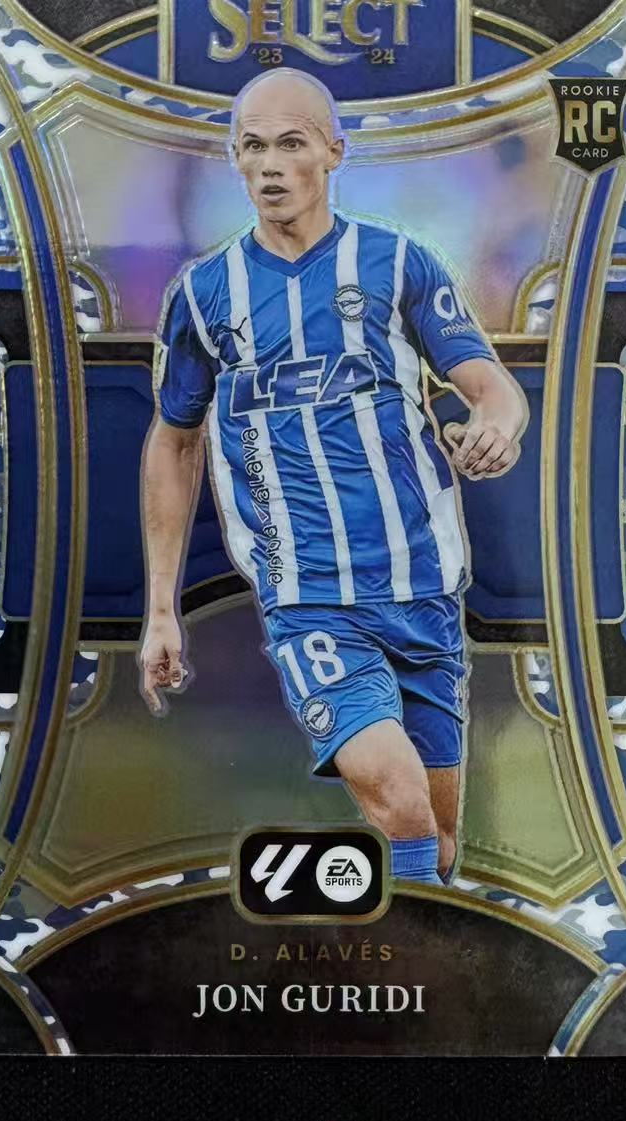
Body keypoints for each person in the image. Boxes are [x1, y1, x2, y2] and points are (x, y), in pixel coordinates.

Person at [138, 67, 526, 886]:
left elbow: (490, 387)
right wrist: (161, 609)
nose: (270, 164)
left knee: (437, 842)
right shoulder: (205, 295)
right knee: (401, 801)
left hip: (423, 587)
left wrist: (496, 427)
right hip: (308, 595)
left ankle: (410, 958)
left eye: (291, 143)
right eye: (252, 147)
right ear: (235, 160)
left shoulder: (399, 264)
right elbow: (174, 442)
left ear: (333, 152)